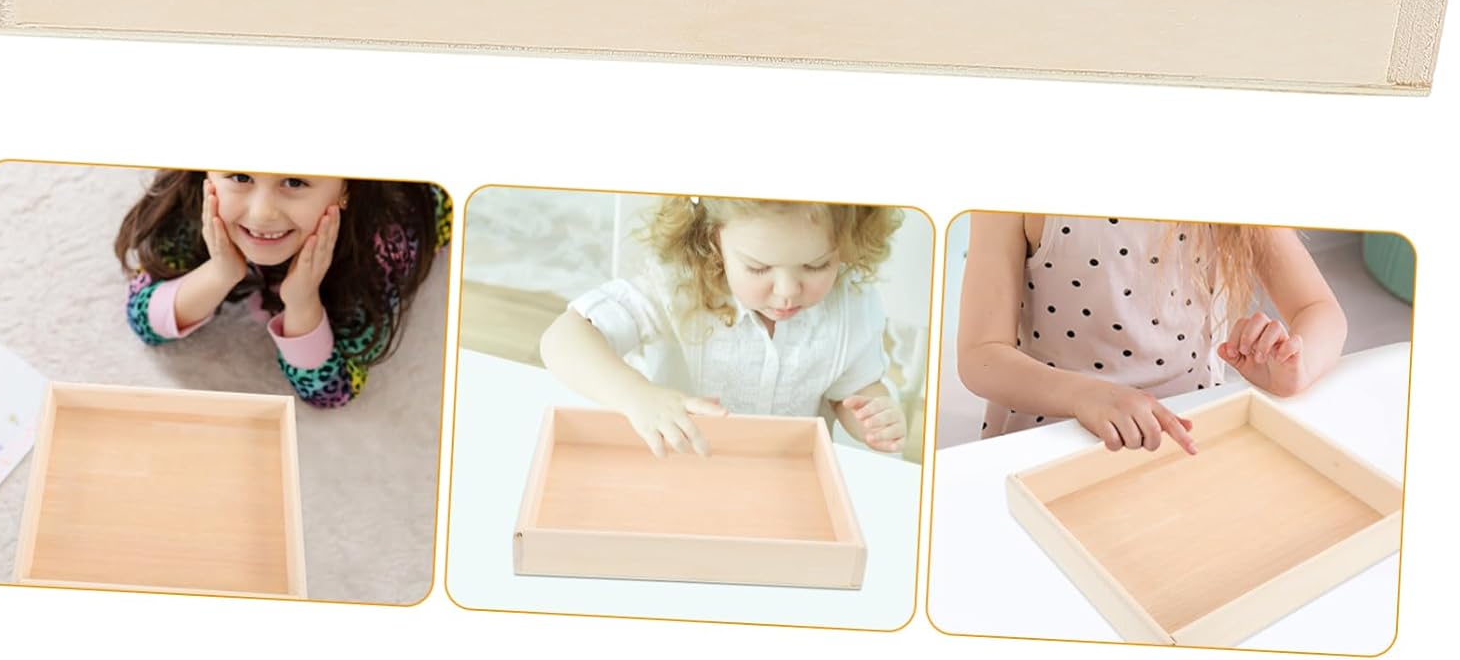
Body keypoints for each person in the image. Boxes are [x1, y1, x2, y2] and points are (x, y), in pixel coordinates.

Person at [540, 196, 908, 456]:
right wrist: (637, 396)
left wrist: (872, 416)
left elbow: (853, 389)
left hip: (785, 477)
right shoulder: (674, 288)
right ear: (712, 237)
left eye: (816, 266)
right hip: (678, 465)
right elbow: (563, 339)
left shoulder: (851, 303)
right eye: (758, 268)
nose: (787, 291)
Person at [955, 213, 1347, 452]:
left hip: (1188, 431)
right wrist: (1083, 396)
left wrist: (1297, 366)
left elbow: (1320, 310)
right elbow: (981, 354)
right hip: (1052, 435)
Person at [117, 170, 451, 407]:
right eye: (241, 177)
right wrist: (220, 273)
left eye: (294, 182)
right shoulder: (194, 198)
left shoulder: (385, 241)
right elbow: (144, 318)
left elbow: (331, 389)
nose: (262, 214)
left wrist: (302, 301)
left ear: (347, 186)